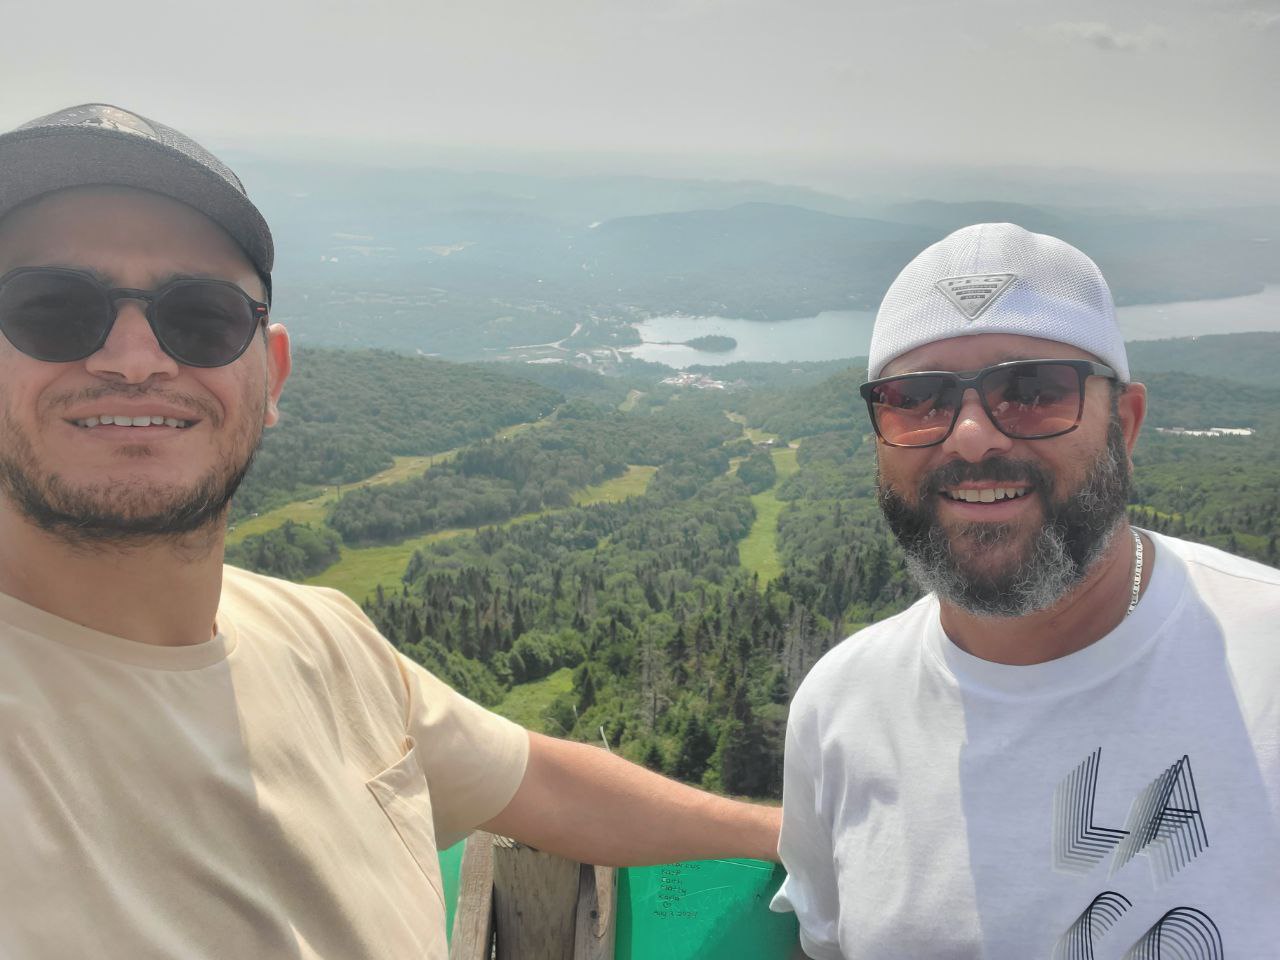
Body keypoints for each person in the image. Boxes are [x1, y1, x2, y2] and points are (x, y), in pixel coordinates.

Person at [0, 104, 780, 959]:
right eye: (49, 309)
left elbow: (544, 783)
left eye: (201, 317)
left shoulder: (323, 639)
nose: (134, 357)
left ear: (271, 376)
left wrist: (788, 833)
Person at [772, 223, 1280, 959]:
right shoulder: (839, 709)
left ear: (1125, 424)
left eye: (1033, 391)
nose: (971, 436)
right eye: (917, 399)